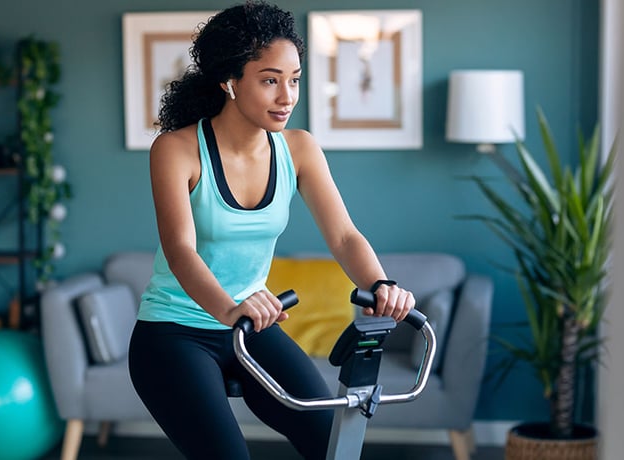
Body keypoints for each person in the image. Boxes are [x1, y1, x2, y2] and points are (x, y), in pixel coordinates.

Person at [127, 2, 416, 459]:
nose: (287, 96)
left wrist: (380, 284)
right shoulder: (177, 149)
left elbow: (343, 236)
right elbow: (181, 252)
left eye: (294, 79)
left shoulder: (298, 149)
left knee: (334, 446)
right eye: (270, 80)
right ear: (230, 82)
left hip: (252, 326)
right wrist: (229, 309)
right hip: (175, 331)